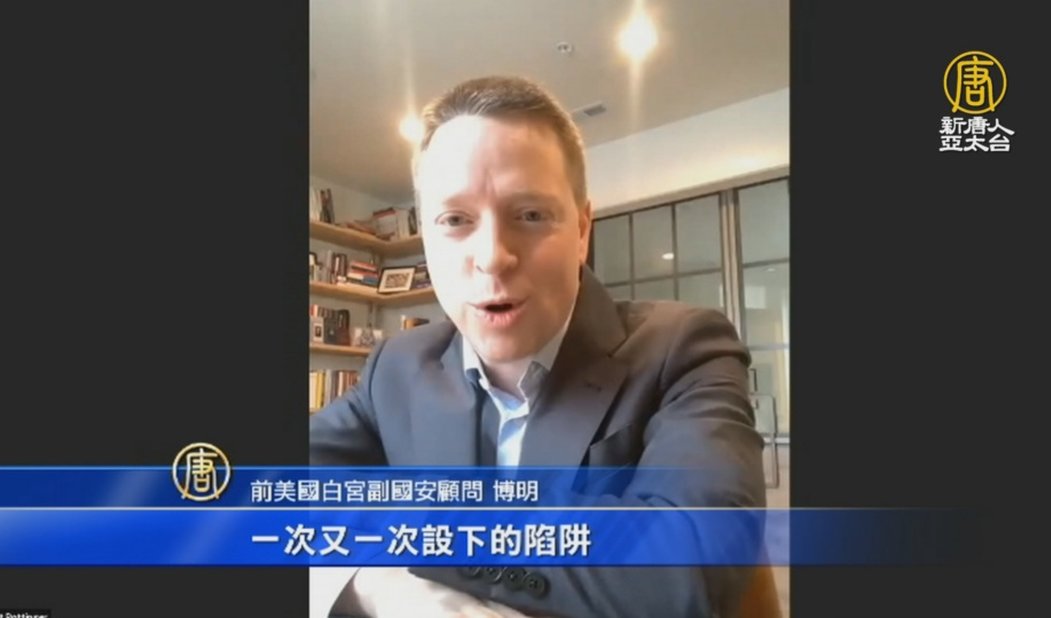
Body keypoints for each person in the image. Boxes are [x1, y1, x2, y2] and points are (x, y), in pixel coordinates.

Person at [310, 75, 767, 618]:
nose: (492, 256)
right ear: (427, 240)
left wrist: (416, 529)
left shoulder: (683, 348)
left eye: (530, 215)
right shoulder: (399, 364)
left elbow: (692, 562)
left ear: (582, 229)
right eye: (455, 220)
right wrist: (376, 587)